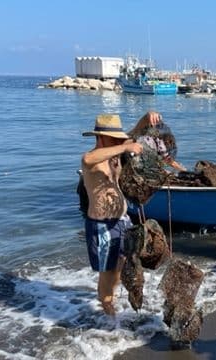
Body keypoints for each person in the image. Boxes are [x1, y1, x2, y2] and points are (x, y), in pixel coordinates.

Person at [81, 114, 143, 315]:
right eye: (113, 138)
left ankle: (110, 299)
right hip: (102, 226)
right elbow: (88, 158)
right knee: (107, 273)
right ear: (100, 138)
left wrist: (147, 118)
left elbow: (133, 135)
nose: (118, 142)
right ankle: (109, 317)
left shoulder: (115, 156)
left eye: (119, 139)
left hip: (122, 221)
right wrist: (125, 147)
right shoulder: (92, 159)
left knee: (122, 265)